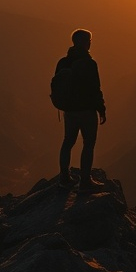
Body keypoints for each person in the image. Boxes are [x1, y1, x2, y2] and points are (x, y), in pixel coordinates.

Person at [55, 28, 106, 192]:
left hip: (69, 111)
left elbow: (57, 87)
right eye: (89, 40)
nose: (90, 43)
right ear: (85, 42)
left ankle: (64, 178)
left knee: (67, 142)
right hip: (86, 110)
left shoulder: (63, 62)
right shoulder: (89, 63)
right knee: (88, 144)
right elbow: (95, 88)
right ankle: (85, 182)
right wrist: (101, 109)